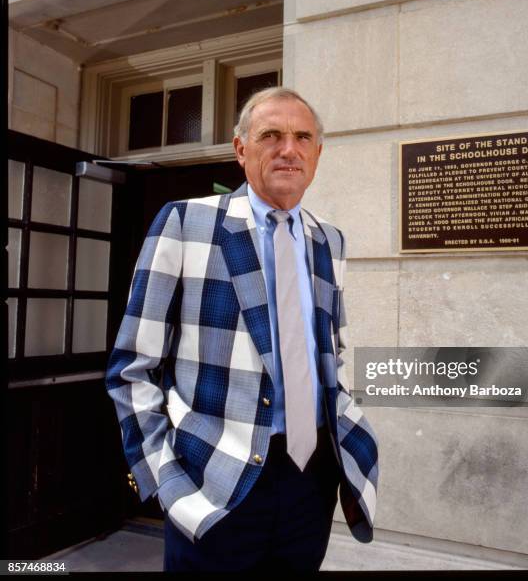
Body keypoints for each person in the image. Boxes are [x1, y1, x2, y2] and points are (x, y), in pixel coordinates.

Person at [105, 87, 378, 572]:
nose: (288, 149)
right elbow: (133, 368)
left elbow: (329, 351)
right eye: (270, 135)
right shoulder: (185, 223)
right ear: (241, 149)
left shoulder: (328, 240)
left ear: (317, 152)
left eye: (302, 137)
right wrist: (166, 482)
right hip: (212, 480)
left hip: (310, 480)